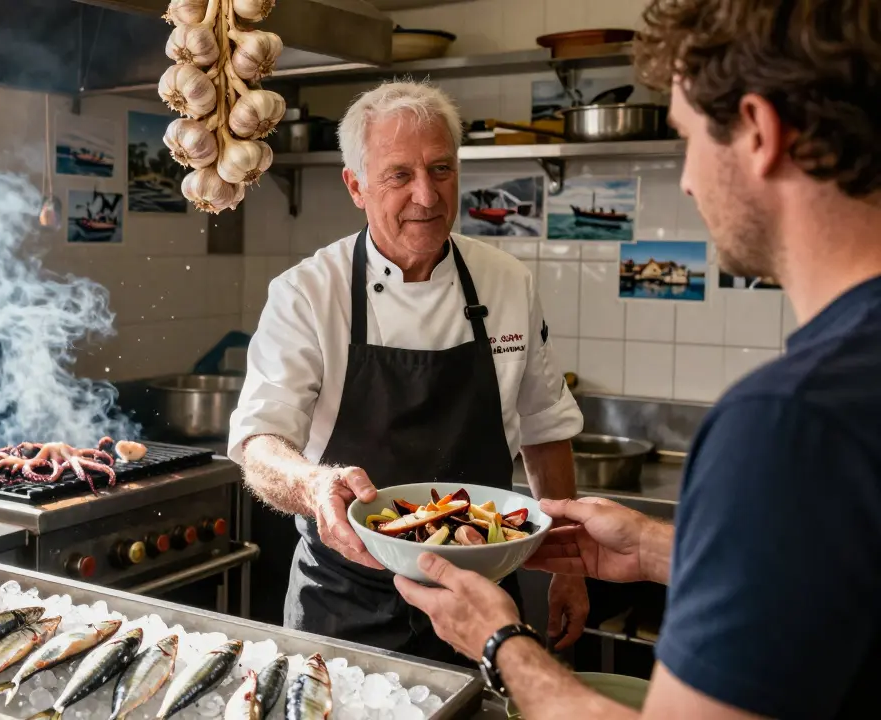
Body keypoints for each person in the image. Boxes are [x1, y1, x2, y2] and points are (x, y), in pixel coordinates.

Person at [394, 0, 881, 717]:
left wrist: (501, 643)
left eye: (686, 138)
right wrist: (659, 550)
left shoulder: (787, 422)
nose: (686, 180)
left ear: (758, 132)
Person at [227, 80, 588, 664]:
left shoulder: (507, 281)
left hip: (481, 592)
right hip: (344, 600)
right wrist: (316, 486)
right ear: (356, 186)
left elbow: (545, 428)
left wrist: (570, 569)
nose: (427, 195)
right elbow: (259, 443)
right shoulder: (308, 293)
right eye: (399, 175)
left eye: (441, 169)